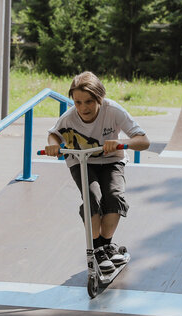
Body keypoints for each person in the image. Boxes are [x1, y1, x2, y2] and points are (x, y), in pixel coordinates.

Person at [45, 72, 150, 273]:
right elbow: (54, 134)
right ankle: (98, 250)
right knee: (92, 197)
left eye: (89, 102)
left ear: (99, 98)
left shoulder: (113, 111)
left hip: (112, 160)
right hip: (82, 160)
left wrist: (122, 143)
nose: (83, 108)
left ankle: (106, 245)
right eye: (77, 102)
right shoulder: (69, 117)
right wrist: (52, 146)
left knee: (113, 197)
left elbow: (144, 141)